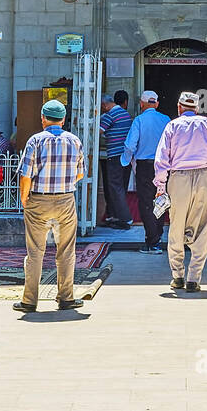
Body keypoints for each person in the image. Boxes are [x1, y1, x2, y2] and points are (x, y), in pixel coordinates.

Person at [14, 99, 84, 313]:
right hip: (65, 200)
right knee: (66, 251)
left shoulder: (35, 140)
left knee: (35, 251)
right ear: (63, 120)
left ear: (43, 118)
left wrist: (24, 198)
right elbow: (80, 173)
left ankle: (29, 301)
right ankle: (66, 298)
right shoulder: (74, 141)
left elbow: (25, 175)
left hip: (38, 199)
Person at [154, 91, 207, 292]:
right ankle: (194, 278)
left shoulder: (172, 125)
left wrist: (160, 185)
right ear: (197, 108)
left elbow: (162, 157)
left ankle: (177, 275)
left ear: (179, 107)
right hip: (204, 176)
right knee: (203, 226)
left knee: (176, 225)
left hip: (179, 177)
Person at [123, 89, 172, 253]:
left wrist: (126, 160)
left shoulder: (138, 120)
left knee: (145, 204)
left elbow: (130, 145)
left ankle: (153, 242)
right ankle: (157, 236)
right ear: (157, 103)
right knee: (161, 201)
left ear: (141, 104)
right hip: (163, 166)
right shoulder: (166, 120)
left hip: (145, 166)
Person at [99, 91, 134, 228]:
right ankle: (114, 215)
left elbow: (97, 132)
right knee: (121, 187)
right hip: (126, 156)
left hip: (115, 156)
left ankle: (125, 218)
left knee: (114, 186)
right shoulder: (125, 114)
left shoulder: (109, 115)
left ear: (104, 105)